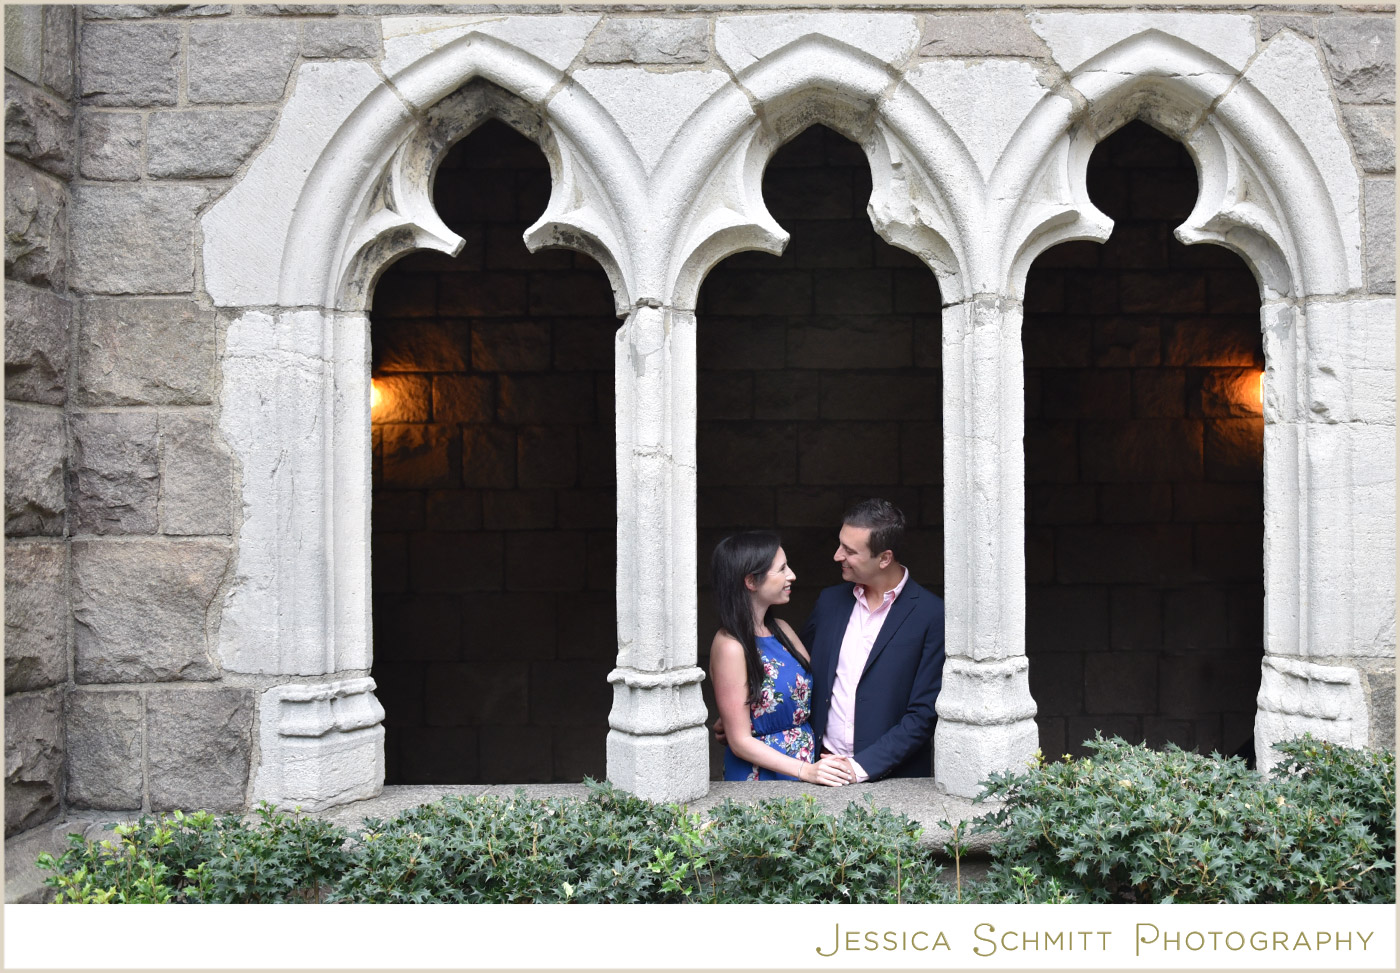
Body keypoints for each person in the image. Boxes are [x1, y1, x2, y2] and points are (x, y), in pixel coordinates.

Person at [714, 498, 945, 782]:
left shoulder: (931, 614)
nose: (837, 556)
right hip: (814, 769)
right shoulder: (830, 602)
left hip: (890, 778)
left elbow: (923, 715)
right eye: (840, 544)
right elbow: (798, 677)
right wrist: (742, 714)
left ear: (884, 558)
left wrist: (858, 768)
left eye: (849, 550)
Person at [708, 531, 853, 785]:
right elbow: (740, 741)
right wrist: (805, 771)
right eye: (782, 569)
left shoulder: (782, 629)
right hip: (762, 776)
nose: (792, 576)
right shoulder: (730, 646)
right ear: (751, 581)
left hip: (806, 766)